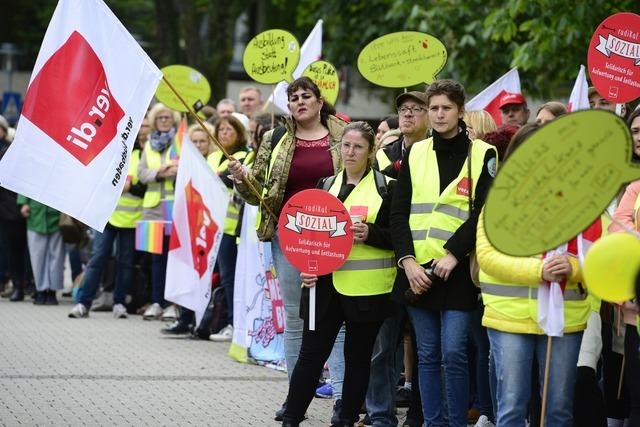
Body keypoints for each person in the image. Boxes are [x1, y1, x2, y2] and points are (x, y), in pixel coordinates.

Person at [229, 76, 347, 422]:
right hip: (290, 238)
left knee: (336, 316)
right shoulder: (275, 138)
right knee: (297, 319)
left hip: (335, 236)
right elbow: (259, 195)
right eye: (293, 97)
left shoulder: (342, 134)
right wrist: (242, 179)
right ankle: (299, 398)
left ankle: (342, 397)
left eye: (305, 96)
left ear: (319, 100)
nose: (299, 102)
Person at [391, 79, 497, 427]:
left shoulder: (483, 154)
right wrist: (407, 262)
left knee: (453, 354)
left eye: (445, 108)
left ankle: (454, 423)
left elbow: (484, 212)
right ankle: (433, 423)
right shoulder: (416, 151)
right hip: (418, 272)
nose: (438, 114)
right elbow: (398, 211)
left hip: (458, 271)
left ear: (460, 111)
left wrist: (453, 253)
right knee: (427, 354)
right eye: (432, 108)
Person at [476, 123, 594, 426]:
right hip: (509, 316)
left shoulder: (582, 202)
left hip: (564, 317)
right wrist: (539, 271)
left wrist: (575, 268)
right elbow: (487, 257)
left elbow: (598, 251)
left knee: (558, 409)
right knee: (512, 408)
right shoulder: (499, 203)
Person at [282, 121, 395, 427]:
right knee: (311, 355)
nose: (350, 152)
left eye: (358, 146)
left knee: (358, 359)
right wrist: (307, 267)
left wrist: (370, 233)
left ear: (371, 151)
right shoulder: (324, 185)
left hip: (366, 290)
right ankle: (292, 417)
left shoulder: (388, 188)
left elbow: (398, 238)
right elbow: (307, 239)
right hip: (322, 287)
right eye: (346, 145)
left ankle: (346, 419)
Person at [68, 119, 148, 319]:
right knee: (98, 259)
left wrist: (130, 188)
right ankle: (83, 303)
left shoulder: (140, 155)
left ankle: (119, 303)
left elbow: (145, 187)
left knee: (126, 263)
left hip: (131, 218)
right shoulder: (109, 154)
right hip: (106, 217)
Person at [162, 121, 217, 334]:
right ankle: (184, 319)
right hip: (188, 227)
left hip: (206, 227)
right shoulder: (186, 165)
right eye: (194, 141)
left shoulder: (212, 163)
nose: (199, 144)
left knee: (204, 275)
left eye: (203, 141)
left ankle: (201, 321)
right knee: (187, 271)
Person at [206, 115, 249, 342]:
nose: (224, 133)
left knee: (230, 278)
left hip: (231, 228)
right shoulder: (213, 156)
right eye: (220, 129)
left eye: (229, 129)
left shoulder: (242, 155)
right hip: (211, 225)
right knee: (220, 278)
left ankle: (234, 323)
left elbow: (224, 180)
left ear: (239, 132)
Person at [138, 103, 180, 320]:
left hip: (175, 208)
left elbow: (183, 169)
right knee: (155, 259)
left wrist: (170, 171)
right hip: (153, 209)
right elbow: (141, 174)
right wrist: (160, 172)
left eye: (167, 117)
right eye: (160, 117)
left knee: (174, 258)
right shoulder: (149, 145)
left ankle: (172, 304)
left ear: (173, 119)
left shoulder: (180, 142)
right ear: (154, 121)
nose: (164, 120)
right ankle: (156, 301)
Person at [17, 196, 64, 305]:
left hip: (57, 215)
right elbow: (24, 181)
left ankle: (53, 291)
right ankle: (41, 290)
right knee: (37, 257)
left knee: (57, 258)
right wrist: (23, 203)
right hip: (35, 215)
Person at [0, 115, 27, 302]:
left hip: (19, 212)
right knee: (10, 250)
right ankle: (16, 284)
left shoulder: (19, 153)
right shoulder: (7, 152)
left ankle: (22, 285)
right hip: (7, 212)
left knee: (20, 251)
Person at [375, 92, 429, 179]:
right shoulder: (382, 154)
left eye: (416, 109)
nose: (407, 114)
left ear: (429, 116)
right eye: (403, 109)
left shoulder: (438, 152)